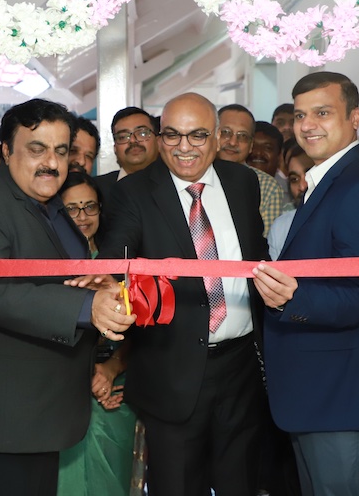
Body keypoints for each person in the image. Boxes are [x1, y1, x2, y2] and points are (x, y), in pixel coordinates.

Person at [0, 98, 136, 496]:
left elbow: (63, 279)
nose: (52, 162)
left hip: (43, 416)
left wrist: (95, 286)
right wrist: (87, 307)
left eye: (61, 151)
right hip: (0, 422)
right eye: (37, 149)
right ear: (6, 151)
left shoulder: (51, 207)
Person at [97, 92, 269, 496]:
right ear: (159, 138)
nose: (184, 147)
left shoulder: (243, 182)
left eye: (197, 136)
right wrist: (107, 282)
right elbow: (117, 257)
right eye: (172, 135)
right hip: (170, 371)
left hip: (241, 368)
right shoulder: (134, 192)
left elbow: (255, 254)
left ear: (217, 138)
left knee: (239, 483)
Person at [253, 71, 359, 496]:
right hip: (313, 395)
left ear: (355, 117)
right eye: (302, 115)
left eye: (323, 113)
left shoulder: (358, 185)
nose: (307, 125)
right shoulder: (326, 180)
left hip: (337, 399)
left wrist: (293, 298)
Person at [57, 171, 141, 496]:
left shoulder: (121, 262)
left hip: (115, 392)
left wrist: (110, 369)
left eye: (90, 207)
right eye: (72, 208)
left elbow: (142, 332)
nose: (82, 216)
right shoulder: (47, 264)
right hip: (63, 394)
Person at [216, 104, 286, 237]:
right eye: (225, 132)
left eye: (242, 136)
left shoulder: (267, 187)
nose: (232, 142)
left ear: (250, 146)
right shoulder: (194, 176)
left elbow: (265, 244)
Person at [94, 107, 160, 205]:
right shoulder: (96, 189)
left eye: (142, 133)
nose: (133, 140)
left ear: (158, 141)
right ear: (115, 148)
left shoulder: (176, 183)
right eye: (123, 137)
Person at [267, 143, 314, 260]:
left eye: (310, 176)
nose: (302, 186)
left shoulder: (345, 221)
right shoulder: (281, 226)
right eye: (294, 179)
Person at [248, 121, 289, 201]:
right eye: (253, 146)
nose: (258, 152)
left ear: (279, 156)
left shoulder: (290, 193)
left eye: (267, 148)